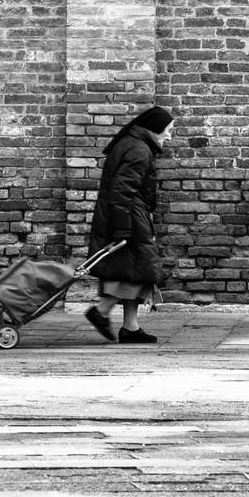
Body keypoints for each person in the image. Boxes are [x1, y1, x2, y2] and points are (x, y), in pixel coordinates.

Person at [84, 106, 173, 344]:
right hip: (130, 217)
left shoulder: (133, 144)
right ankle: (101, 311)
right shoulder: (139, 150)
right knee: (140, 268)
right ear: (154, 129)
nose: (169, 136)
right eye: (168, 130)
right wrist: (123, 229)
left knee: (132, 267)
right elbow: (122, 191)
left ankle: (130, 327)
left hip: (130, 215)